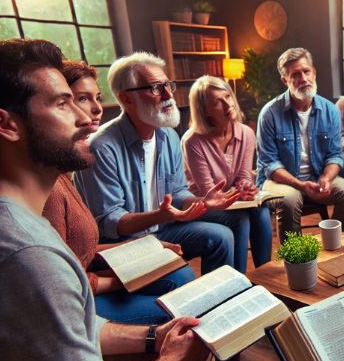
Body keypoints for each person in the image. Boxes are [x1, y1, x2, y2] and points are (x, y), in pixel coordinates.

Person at [0, 38, 260, 361]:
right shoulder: (28, 251)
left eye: (86, 99)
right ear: (7, 124)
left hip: (157, 233)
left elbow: (81, 322)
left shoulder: (28, 220)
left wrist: (156, 337)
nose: (88, 116)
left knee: (217, 245)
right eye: (62, 103)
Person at [42, 60, 196, 324]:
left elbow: (82, 250)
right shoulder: (52, 188)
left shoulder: (64, 173)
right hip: (78, 301)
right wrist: (123, 278)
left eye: (97, 97)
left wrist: (146, 247)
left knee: (184, 276)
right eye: (75, 100)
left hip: (97, 269)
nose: (96, 109)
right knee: (186, 303)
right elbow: (61, 283)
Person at [74, 52, 238, 275]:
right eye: (155, 88)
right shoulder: (101, 148)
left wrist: (202, 201)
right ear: (127, 99)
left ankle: (226, 297)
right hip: (126, 243)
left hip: (163, 228)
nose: (168, 95)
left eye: (168, 85)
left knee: (223, 235)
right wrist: (163, 214)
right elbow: (111, 223)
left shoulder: (168, 136)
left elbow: (178, 191)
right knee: (183, 274)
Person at [255, 47, 344, 243]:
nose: (303, 78)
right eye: (295, 74)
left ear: (314, 72)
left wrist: (327, 178)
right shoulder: (269, 114)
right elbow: (270, 164)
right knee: (290, 198)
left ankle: (336, 247)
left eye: (306, 71)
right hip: (279, 181)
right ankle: (296, 258)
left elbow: (334, 156)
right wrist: (300, 184)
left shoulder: (330, 110)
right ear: (285, 80)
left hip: (317, 175)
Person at [182, 75, 272, 273]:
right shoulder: (192, 141)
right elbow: (209, 191)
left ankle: (267, 276)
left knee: (262, 211)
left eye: (227, 97)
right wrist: (240, 193)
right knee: (241, 219)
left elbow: (243, 175)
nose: (227, 104)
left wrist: (245, 186)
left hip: (231, 198)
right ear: (204, 111)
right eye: (217, 102)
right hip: (202, 204)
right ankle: (236, 281)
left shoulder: (246, 132)